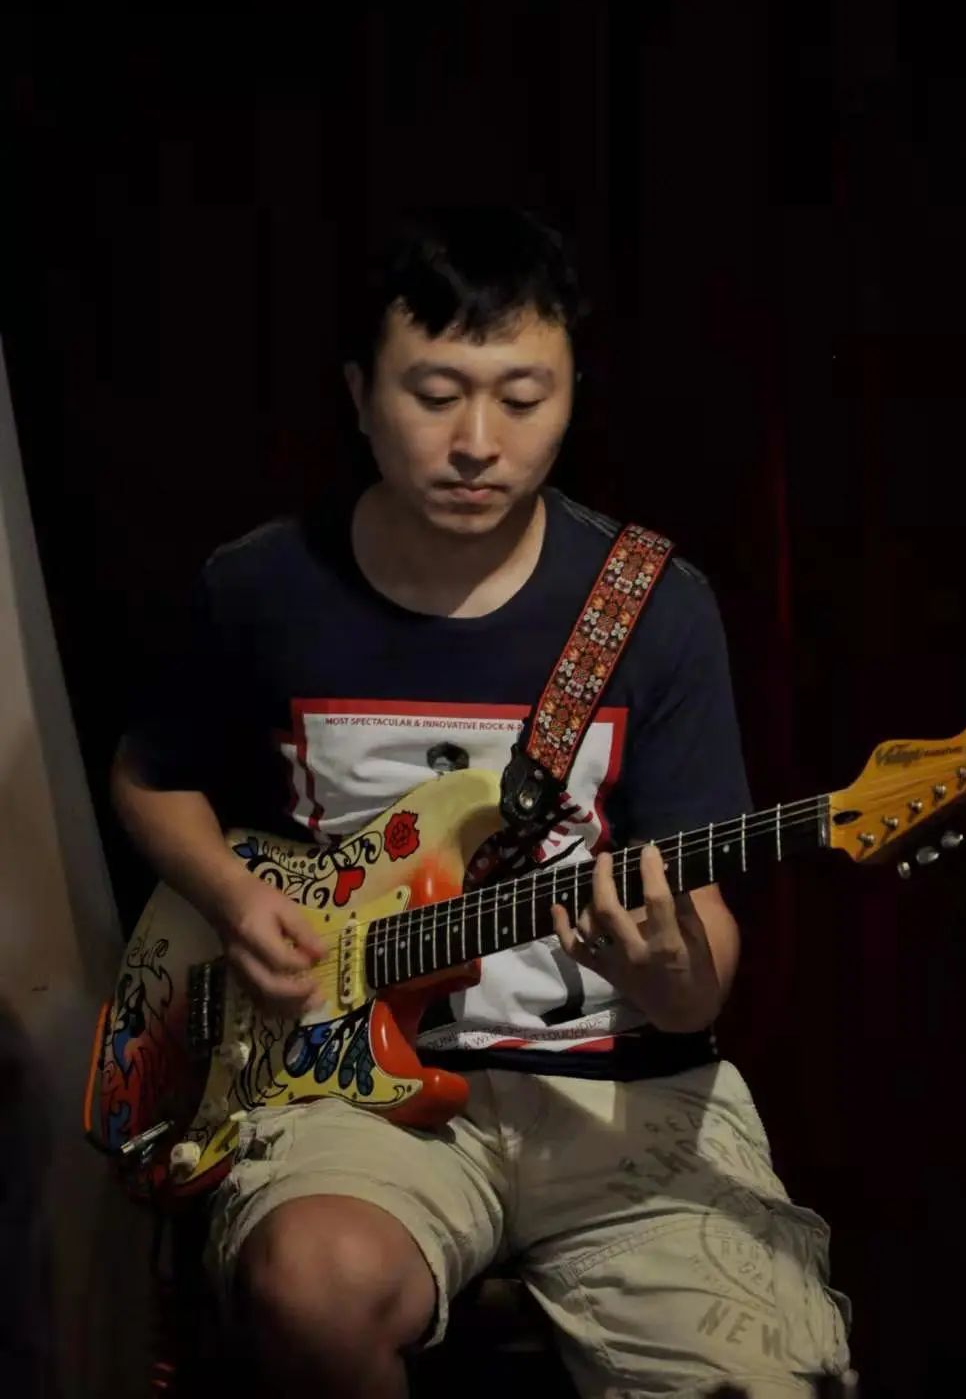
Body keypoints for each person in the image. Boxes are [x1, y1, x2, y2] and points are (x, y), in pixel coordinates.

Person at [112, 208, 851, 1399]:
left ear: (572, 396)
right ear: (360, 396)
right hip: (344, 1088)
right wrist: (236, 901)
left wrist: (670, 975)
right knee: (309, 1288)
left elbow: (701, 964)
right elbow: (151, 779)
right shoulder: (262, 587)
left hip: (623, 1087)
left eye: (521, 397)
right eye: (435, 393)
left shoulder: (654, 606)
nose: (476, 442)